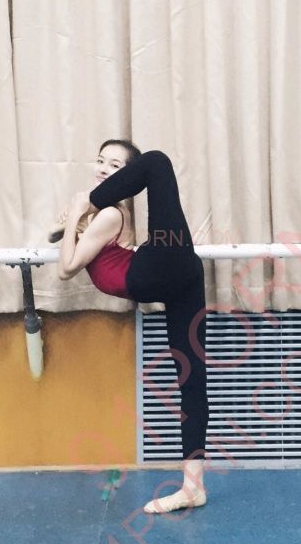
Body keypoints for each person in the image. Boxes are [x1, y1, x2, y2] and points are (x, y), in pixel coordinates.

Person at [54, 141, 209, 514]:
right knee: (190, 380)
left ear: (127, 178)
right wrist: (75, 220)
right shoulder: (103, 217)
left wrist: (79, 208)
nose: (104, 168)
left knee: (157, 161)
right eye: (100, 161)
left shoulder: (109, 212)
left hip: (162, 264)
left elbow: (66, 268)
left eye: (116, 166)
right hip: (175, 275)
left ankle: (193, 487)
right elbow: (69, 253)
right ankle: (193, 488)